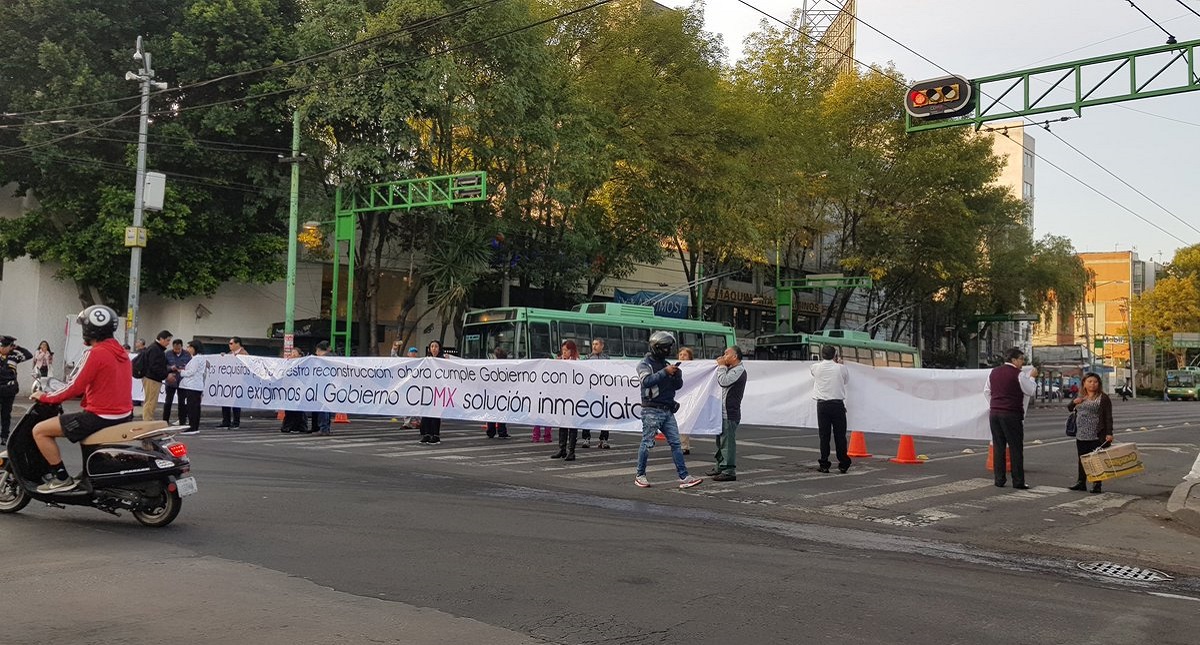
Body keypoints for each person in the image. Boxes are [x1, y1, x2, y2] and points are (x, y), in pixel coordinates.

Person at [30, 305, 133, 493]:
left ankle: (61, 479)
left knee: (40, 431)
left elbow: (74, 386)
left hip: (101, 416)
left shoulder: (95, 353)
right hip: (123, 414)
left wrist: (45, 397)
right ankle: (87, 475)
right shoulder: (121, 353)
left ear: (90, 329)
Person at [633, 331, 702, 489]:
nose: (668, 351)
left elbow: (677, 386)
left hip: (667, 409)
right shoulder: (645, 364)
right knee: (647, 443)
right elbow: (646, 381)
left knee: (676, 444)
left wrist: (677, 375)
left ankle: (684, 477)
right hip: (651, 409)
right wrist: (666, 372)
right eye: (665, 348)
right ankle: (640, 475)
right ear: (657, 347)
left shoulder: (666, 365)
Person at [984, 347, 1038, 489]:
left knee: (999, 446)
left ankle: (999, 480)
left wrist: (995, 404)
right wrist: (1032, 376)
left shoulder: (993, 372)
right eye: (1021, 359)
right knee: (1015, 448)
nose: (1022, 362)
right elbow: (1030, 390)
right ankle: (1018, 481)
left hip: (995, 413)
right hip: (1011, 414)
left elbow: (987, 391)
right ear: (1014, 360)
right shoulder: (1018, 374)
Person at [1068, 372, 1115, 494]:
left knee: (1096, 460)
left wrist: (1109, 433)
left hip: (1096, 434)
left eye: (1095, 382)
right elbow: (1069, 407)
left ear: (1098, 384)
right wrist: (1074, 402)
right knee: (1082, 459)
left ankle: (1097, 484)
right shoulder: (1081, 396)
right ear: (1084, 383)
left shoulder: (1103, 398)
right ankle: (1081, 482)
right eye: (1089, 382)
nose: (1092, 384)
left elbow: (1108, 417)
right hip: (1081, 433)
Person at [706, 346, 747, 482]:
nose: (723, 356)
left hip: (730, 412)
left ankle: (729, 470)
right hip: (721, 412)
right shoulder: (730, 369)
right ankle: (720, 466)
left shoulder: (739, 370)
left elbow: (724, 381)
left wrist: (722, 366)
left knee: (727, 443)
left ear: (735, 357)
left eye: (726, 354)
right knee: (720, 441)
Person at [811, 345, 851, 474]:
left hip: (822, 405)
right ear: (835, 355)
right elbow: (846, 381)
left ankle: (824, 463)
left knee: (824, 436)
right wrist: (838, 363)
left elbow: (813, 372)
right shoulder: (841, 368)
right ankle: (843, 463)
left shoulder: (815, 367)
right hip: (837, 404)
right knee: (840, 435)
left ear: (822, 354)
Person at [0, 336, 32, 446]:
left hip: (9, 389)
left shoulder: (14, 356)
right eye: (2, 346)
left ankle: (4, 436)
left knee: (5, 414)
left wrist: (18, 347)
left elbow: (28, 355)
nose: (3, 348)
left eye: (6, 346)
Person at [580, 337, 611, 449]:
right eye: (593, 344)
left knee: (604, 415)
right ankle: (586, 438)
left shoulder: (607, 359)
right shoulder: (587, 358)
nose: (594, 346)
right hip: (590, 390)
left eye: (597, 344)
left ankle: (604, 439)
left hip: (603, 390)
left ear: (602, 346)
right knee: (587, 413)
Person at [552, 340, 581, 460]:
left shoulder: (577, 363)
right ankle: (562, 448)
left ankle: (571, 451)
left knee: (572, 424)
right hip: (562, 396)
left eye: (566, 350)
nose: (563, 353)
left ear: (571, 351)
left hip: (573, 397)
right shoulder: (560, 362)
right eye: (563, 350)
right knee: (562, 423)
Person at [177, 340, 208, 436]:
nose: (188, 349)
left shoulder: (196, 359)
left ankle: (192, 427)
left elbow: (191, 372)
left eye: (190, 347)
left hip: (193, 386)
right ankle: (194, 426)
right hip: (195, 386)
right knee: (195, 407)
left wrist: (181, 372)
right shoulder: (199, 358)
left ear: (195, 348)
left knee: (192, 408)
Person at [140, 330, 172, 422]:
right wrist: (166, 374)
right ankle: (147, 420)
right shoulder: (155, 349)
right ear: (161, 339)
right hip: (152, 378)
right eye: (167, 340)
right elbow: (154, 366)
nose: (168, 343)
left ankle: (148, 419)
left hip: (152, 378)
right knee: (151, 401)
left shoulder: (155, 348)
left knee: (151, 400)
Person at [419, 340, 446, 444]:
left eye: (436, 346)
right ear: (429, 349)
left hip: (438, 391)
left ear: (439, 348)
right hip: (427, 390)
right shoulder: (426, 360)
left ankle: (435, 435)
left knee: (435, 413)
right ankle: (427, 434)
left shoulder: (443, 360)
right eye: (432, 346)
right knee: (426, 413)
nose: (434, 348)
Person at [219, 337, 248, 428]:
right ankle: (226, 421)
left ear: (237, 344)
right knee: (225, 402)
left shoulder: (244, 354)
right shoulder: (229, 354)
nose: (229, 345)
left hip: (238, 382)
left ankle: (236, 422)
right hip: (228, 382)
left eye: (231, 343)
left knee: (236, 403)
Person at [280, 347, 310, 434]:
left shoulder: (303, 364)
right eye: (291, 353)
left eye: (294, 353)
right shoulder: (287, 364)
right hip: (289, 388)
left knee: (298, 409)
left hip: (298, 388)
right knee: (289, 408)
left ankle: (299, 426)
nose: (292, 355)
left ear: (299, 355)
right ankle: (289, 426)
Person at [163, 338, 191, 426]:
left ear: (182, 347)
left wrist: (184, 368)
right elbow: (163, 366)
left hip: (182, 381)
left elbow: (190, 366)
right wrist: (171, 368)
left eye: (178, 349)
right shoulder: (168, 354)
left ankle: (182, 420)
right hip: (171, 380)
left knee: (182, 402)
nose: (177, 351)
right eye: (175, 349)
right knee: (168, 402)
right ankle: (165, 420)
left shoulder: (187, 354)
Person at [485, 347, 511, 439]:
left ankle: (491, 431)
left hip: (491, 391)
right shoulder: (507, 366)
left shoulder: (490, 365)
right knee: (501, 412)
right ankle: (502, 431)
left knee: (491, 411)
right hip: (501, 392)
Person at [310, 341, 334, 436]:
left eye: (317, 351)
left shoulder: (324, 360)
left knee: (323, 408)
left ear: (320, 350)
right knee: (326, 408)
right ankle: (325, 428)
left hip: (324, 386)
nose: (316, 353)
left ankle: (324, 428)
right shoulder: (334, 358)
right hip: (330, 387)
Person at [675, 347, 695, 454]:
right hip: (677, 397)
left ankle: (684, 446)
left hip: (687, 398)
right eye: (680, 354)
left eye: (685, 355)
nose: (682, 357)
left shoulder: (693, 369)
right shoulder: (674, 367)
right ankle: (679, 444)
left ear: (690, 358)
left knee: (683, 421)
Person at [400, 346, 421, 429]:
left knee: (417, 405)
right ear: (408, 354)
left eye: (415, 352)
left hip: (416, 387)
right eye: (412, 352)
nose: (413, 353)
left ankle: (418, 422)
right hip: (407, 387)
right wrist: (394, 350)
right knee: (406, 405)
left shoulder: (420, 362)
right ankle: (407, 423)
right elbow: (394, 359)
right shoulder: (405, 362)